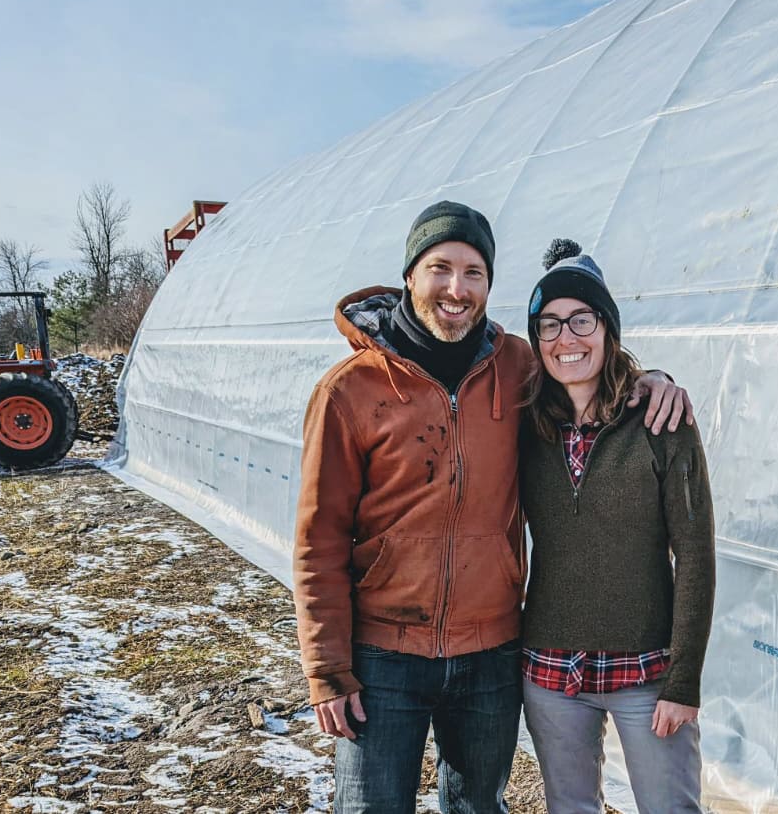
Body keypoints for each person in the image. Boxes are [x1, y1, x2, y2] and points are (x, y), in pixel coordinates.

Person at [292, 202, 693, 813]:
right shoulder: (350, 391)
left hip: (489, 651)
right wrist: (327, 666)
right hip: (384, 652)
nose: (457, 289)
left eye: (474, 273)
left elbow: (588, 366)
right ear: (410, 275)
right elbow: (319, 537)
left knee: (478, 806)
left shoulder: (518, 368)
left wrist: (651, 379)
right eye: (440, 269)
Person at [518, 239, 715, 814]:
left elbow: (696, 553)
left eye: (582, 319)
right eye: (549, 325)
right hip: (551, 671)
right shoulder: (526, 425)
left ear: (608, 328)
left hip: (646, 671)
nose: (566, 338)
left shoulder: (662, 420)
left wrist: (684, 682)